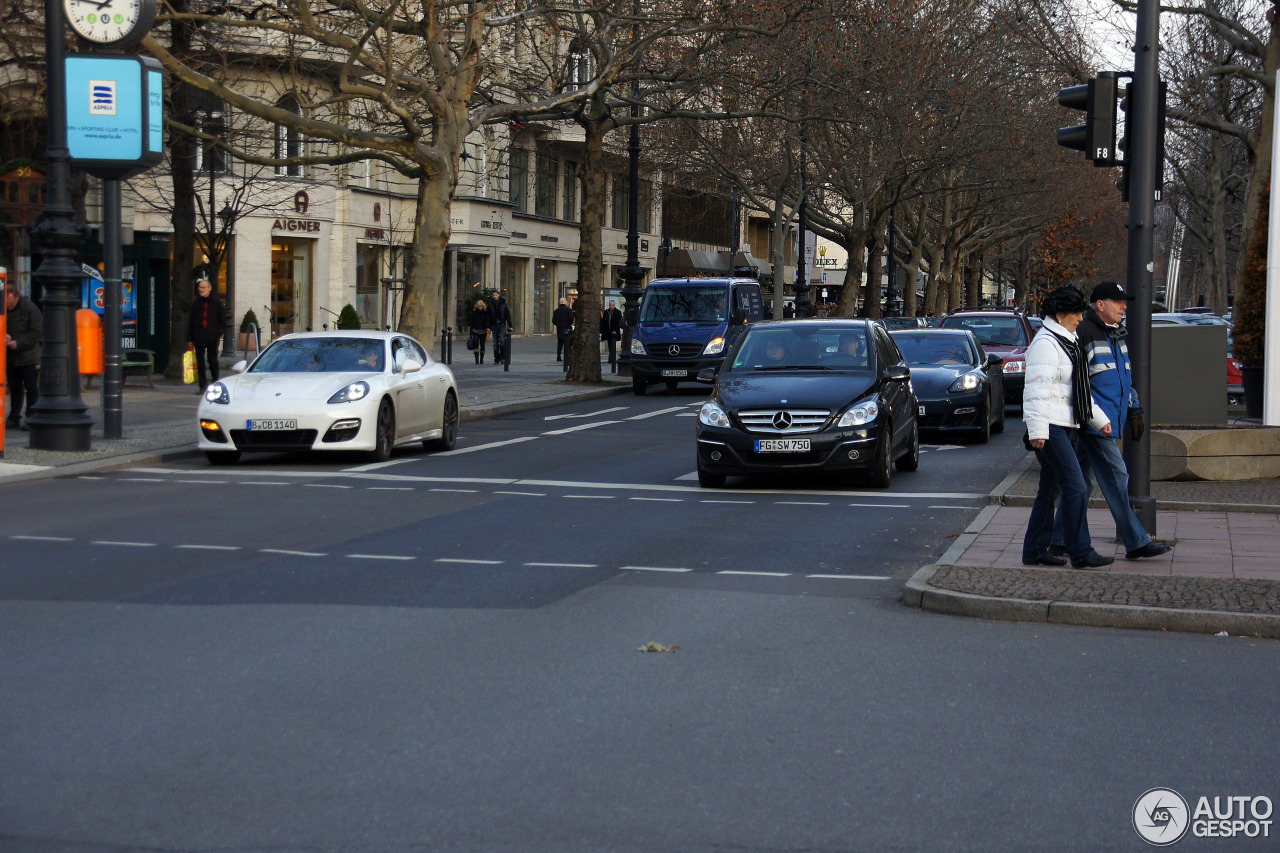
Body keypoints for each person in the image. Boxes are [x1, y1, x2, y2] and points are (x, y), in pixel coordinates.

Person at [1050, 282, 1172, 561]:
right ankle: (1136, 541)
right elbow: (1078, 383)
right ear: (1100, 305)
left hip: (1103, 421)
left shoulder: (1115, 334)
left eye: (1124, 301)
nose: (1124, 306)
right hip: (1096, 423)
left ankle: (1057, 539)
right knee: (1117, 476)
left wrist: (1134, 409)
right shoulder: (1085, 333)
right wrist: (1096, 419)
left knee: (1080, 482)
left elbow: (1123, 380)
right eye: (1118, 301)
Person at [1021, 285, 1115, 570]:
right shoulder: (1047, 344)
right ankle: (1080, 551)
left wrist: (1099, 419)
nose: (1080, 317)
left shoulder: (1066, 340)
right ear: (1060, 314)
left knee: (1049, 489)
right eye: (1076, 313)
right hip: (1051, 425)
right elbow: (1037, 390)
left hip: (1061, 424)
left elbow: (1077, 390)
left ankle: (1036, 550)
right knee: (1074, 485)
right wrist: (1037, 430)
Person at [5, 286, 42, 430]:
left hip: (27, 356)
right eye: (7, 303)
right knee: (14, 387)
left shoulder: (30, 309)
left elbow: (36, 332)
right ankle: (14, 417)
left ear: (17, 297)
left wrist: (19, 343)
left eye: (11, 303)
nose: (9, 306)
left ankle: (31, 416)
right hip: (11, 356)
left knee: (31, 387)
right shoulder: (4, 308)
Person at [186, 278, 226, 393]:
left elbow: (223, 321)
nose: (201, 289)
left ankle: (215, 383)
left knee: (212, 360)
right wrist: (190, 338)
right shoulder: (196, 303)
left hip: (212, 336)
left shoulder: (217, 303)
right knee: (200, 361)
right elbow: (191, 321)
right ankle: (202, 386)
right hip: (198, 335)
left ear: (210, 288)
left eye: (203, 287)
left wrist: (218, 333)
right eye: (200, 287)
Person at [490, 289, 513, 364]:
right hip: (494, 325)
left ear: (498, 295)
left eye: (496, 295)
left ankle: (502, 357)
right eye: (493, 295)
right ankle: (496, 359)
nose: (495, 296)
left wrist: (510, 325)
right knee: (495, 343)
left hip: (502, 324)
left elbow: (507, 314)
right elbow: (488, 316)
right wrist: (488, 326)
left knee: (502, 341)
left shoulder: (503, 303)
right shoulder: (490, 304)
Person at [600, 299, 623, 366]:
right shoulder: (606, 312)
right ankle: (611, 358)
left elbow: (619, 323)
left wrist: (615, 330)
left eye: (612, 305)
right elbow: (604, 322)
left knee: (613, 346)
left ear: (614, 305)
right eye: (610, 305)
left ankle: (612, 358)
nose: (611, 306)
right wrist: (602, 331)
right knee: (609, 345)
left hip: (614, 332)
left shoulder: (618, 312)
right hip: (607, 332)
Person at [552, 297, 574, 361]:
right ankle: (567, 356)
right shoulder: (568, 310)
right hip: (567, 328)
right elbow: (571, 319)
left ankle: (558, 356)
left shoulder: (556, 311)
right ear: (565, 302)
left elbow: (553, 320)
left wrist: (558, 324)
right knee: (568, 343)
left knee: (560, 343)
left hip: (559, 328)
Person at [470, 299, 491, 364]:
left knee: (482, 344)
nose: (480, 307)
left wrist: (488, 327)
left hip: (483, 330)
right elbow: (472, 322)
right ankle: (476, 359)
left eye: (481, 306)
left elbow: (488, 320)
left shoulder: (485, 312)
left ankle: (482, 359)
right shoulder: (474, 312)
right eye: (479, 306)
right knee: (476, 344)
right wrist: (471, 332)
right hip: (475, 330)